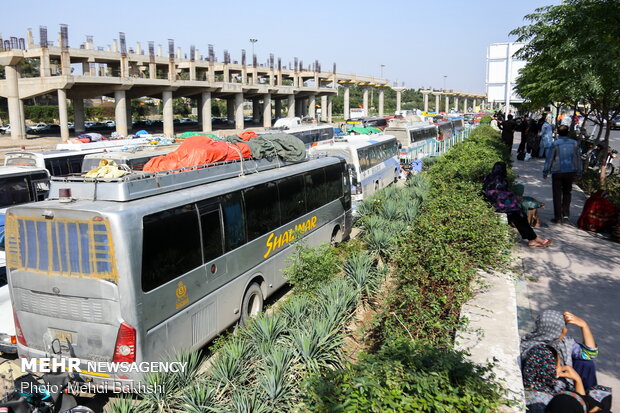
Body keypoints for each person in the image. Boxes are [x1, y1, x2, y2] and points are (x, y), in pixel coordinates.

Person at [521, 310, 612, 412]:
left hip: (547, 384)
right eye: (563, 327)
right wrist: (577, 381)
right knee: (602, 398)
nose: (565, 329)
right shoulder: (538, 351)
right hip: (554, 388)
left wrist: (584, 326)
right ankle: (589, 403)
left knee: (586, 363)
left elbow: (590, 354)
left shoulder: (563, 343)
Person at [484, 162, 552, 248]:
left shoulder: (489, 178)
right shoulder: (500, 180)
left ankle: (533, 239)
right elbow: (502, 195)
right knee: (520, 216)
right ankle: (534, 239)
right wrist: (515, 199)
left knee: (520, 215)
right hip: (501, 206)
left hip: (498, 205)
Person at [543, 125, 582, 224]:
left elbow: (550, 158)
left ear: (558, 133)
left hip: (557, 172)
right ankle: (565, 214)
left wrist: (546, 171)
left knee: (557, 194)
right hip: (570, 172)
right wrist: (579, 173)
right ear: (568, 132)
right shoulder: (574, 143)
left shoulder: (555, 143)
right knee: (567, 192)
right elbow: (578, 158)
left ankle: (557, 217)